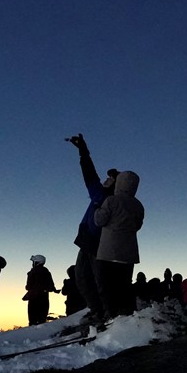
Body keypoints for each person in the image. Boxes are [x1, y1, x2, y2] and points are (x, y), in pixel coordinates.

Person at [67, 134, 116, 320]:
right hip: (88, 242)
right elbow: (90, 174)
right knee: (82, 278)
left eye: (111, 178)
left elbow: (89, 174)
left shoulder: (104, 197)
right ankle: (97, 310)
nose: (106, 179)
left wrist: (83, 152)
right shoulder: (101, 195)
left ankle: (105, 312)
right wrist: (83, 151)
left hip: (98, 243)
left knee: (99, 280)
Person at [93, 170, 145, 321]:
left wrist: (97, 208)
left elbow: (99, 221)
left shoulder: (111, 201)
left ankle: (110, 316)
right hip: (128, 254)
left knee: (106, 286)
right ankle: (125, 317)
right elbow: (137, 226)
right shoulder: (138, 206)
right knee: (124, 286)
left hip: (108, 252)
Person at [23, 255, 57, 325]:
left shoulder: (33, 272)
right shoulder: (46, 272)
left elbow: (28, 286)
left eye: (33, 262)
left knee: (33, 321)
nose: (32, 263)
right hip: (44, 297)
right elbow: (51, 286)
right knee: (42, 320)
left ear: (37, 262)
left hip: (34, 298)